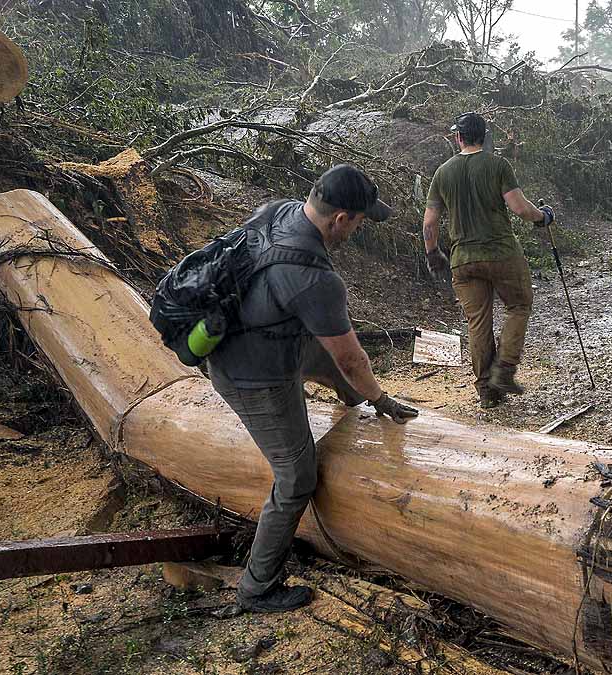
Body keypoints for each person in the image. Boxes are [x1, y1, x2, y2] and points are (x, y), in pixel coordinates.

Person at [207, 164, 419, 613]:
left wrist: (358, 388)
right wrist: (380, 397)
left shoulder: (277, 211)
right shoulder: (316, 279)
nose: (357, 230)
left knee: (325, 354)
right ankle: (256, 587)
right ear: (342, 218)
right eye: (359, 222)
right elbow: (350, 358)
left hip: (257, 338)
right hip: (253, 376)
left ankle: (353, 398)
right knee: (297, 477)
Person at [422, 112, 553, 409]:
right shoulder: (497, 165)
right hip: (501, 253)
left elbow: (429, 223)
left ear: (458, 137)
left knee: (477, 321)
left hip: (463, 260)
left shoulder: (443, 172)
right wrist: (543, 217)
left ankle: (486, 391)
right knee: (519, 306)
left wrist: (433, 253)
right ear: (485, 136)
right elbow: (520, 208)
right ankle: (504, 371)